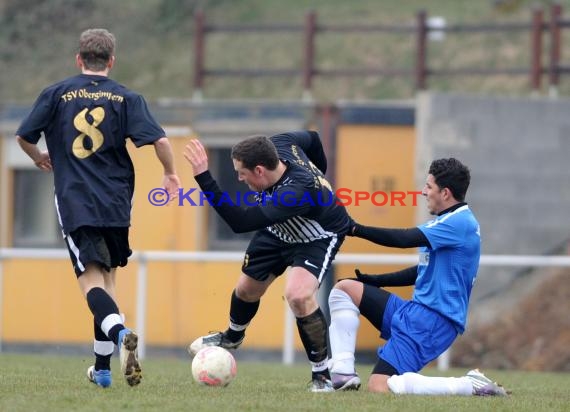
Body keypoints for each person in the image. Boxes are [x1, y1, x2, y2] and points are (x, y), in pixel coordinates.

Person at [15, 28, 181, 388]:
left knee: (90, 283)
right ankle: (102, 371)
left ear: (79, 59)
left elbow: (24, 135)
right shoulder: (126, 98)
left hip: (76, 199)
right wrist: (170, 173)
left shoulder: (57, 93)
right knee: (107, 284)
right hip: (116, 201)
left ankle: (122, 334)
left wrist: (38, 156)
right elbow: (161, 140)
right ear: (112, 61)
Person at [183, 131, 351, 392]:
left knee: (298, 295)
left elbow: (240, 223)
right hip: (278, 231)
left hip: (315, 238)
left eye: (241, 173)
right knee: (246, 290)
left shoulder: (294, 192)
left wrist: (203, 176)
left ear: (259, 170)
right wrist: (321, 174)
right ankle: (233, 337)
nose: (239, 178)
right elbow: (315, 138)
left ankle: (322, 376)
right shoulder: (278, 144)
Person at [328, 158, 509, 396]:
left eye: (429, 187)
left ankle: (468, 385)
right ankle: (343, 374)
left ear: (445, 193)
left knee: (379, 386)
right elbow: (420, 271)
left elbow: (404, 239)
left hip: (432, 322)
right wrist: (375, 280)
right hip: (415, 313)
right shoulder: (445, 223)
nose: (423, 192)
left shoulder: (459, 223)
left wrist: (354, 229)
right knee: (345, 289)